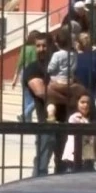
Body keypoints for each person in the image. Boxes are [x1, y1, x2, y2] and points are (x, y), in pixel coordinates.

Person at [24, 33, 56, 177]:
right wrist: (67, 93)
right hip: (45, 122)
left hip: (68, 120)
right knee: (41, 165)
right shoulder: (32, 68)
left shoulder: (60, 65)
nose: (41, 49)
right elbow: (41, 92)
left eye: (44, 45)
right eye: (38, 46)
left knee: (66, 164)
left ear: (51, 46)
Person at [61, 94, 96, 172]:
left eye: (88, 103)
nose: (85, 105)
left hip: (87, 155)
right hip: (73, 155)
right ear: (77, 103)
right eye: (82, 102)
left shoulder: (91, 120)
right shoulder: (74, 117)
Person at [46, 27, 78, 113]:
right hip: (69, 80)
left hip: (57, 80)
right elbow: (75, 67)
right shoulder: (74, 55)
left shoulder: (57, 55)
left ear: (57, 44)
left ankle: (51, 114)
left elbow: (51, 68)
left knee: (50, 100)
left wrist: (49, 69)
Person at [13, 30, 39, 122]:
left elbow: (19, 63)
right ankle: (24, 115)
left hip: (23, 72)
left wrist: (15, 78)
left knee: (26, 99)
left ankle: (27, 122)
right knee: (37, 98)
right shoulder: (36, 48)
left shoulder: (24, 48)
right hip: (34, 72)